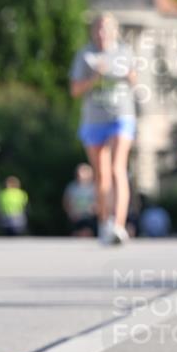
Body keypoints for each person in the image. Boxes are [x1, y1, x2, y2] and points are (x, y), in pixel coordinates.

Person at [70, 13, 137, 244]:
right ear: (93, 31)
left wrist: (130, 76)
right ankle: (105, 222)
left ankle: (118, 225)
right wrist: (95, 76)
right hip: (94, 119)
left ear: (115, 31)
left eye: (106, 29)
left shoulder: (124, 52)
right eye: (98, 29)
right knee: (101, 174)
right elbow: (75, 90)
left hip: (121, 115)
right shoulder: (85, 55)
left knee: (118, 167)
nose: (102, 33)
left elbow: (136, 81)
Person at [62, 163, 97, 236]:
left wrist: (92, 211)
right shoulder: (72, 187)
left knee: (87, 231)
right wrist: (70, 214)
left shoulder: (94, 188)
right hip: (75, 217)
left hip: (89, 217)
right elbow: (66, 202)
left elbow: (97, 203)